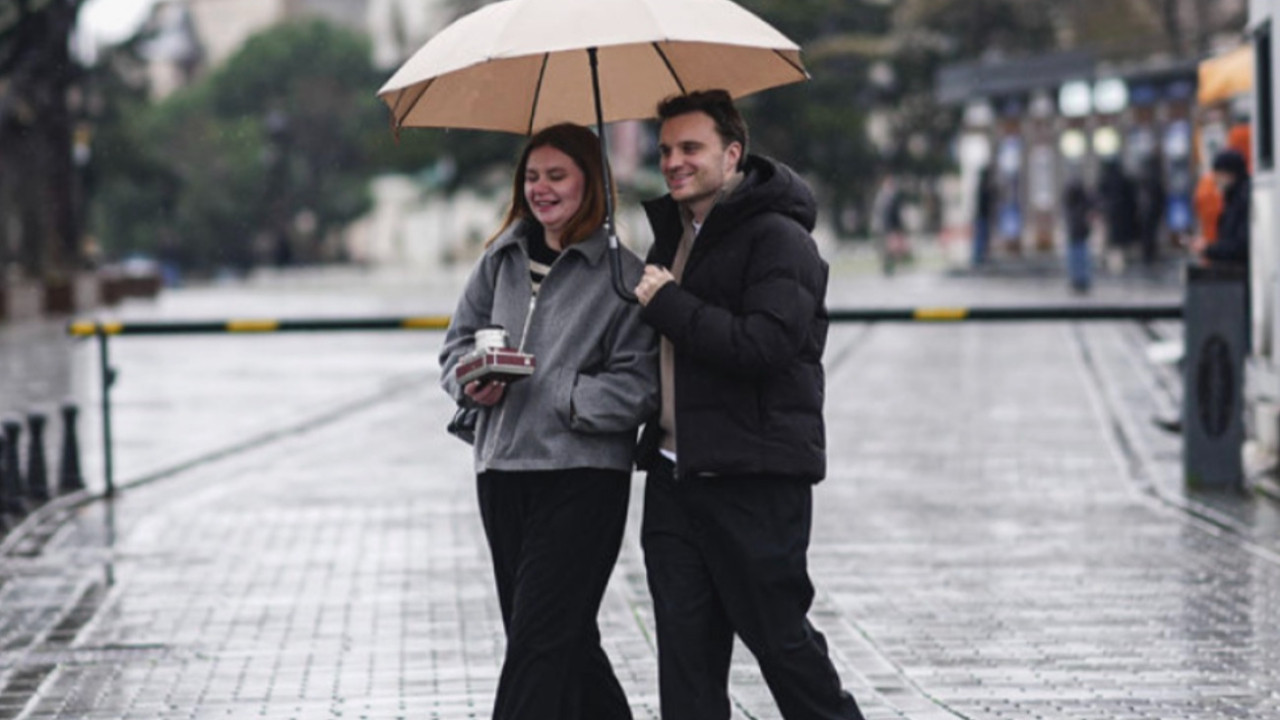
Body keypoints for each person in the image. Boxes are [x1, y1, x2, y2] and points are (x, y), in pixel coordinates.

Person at [632, 90, 865, 720]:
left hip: (754, 478)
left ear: (732, 154)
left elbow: (765, 346)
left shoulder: (780, 239)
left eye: (691, 148)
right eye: (665, 150)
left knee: (782, 644)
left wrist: (670, 304)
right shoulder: (672, 238)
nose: (674, 162)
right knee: (685, 662)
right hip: (675, 477)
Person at [439, 122, 659, 720]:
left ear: (591, 183)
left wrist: (558, 392)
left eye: (557, 176)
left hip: (583, 477)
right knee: (561, 641)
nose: (541, 188)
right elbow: (454, 347)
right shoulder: (499, 259)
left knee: (538, 643)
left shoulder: (623, 276)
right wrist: (472, 380)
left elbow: (640, 387)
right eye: (532, 177)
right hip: (502, 471)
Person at [1063, 177, 1094, 293]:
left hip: (1075, 234)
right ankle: (1080, 280)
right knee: (1080, 258)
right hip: (1079, 234)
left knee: (1077, 258)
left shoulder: (1071, 206)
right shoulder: (1081, 204)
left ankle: (1078, 280)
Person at [972, 166, 994, 267]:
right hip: (982, 217)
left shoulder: (982, 187)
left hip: (983, 217)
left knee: (982, 237)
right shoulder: (983, 188)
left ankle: (980, 256)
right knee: (981, 238)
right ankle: (978, 257)